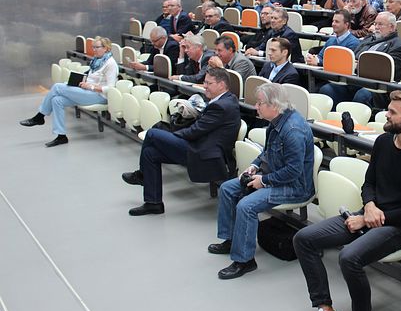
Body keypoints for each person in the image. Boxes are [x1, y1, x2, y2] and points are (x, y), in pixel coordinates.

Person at [294, 90, 401, 311]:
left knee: (349, 258)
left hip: (399, 227)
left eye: (393, 112)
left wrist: (368, 219)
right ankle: (326, 310)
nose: (386, 113)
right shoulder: (384, 141)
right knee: (304, 239)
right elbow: (369, 183)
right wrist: (369, 207)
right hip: (369, 213)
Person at [210, 83, 314, 279]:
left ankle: (244, 260)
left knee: (246, 206)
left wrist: (264, 181)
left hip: (295, 186)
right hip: (274, 176)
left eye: (260, 103)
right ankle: (232, 239)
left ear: (274, 105)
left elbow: (294, 171)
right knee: (226, 189)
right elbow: (267, 152)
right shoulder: (276, 121)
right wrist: (255, 166)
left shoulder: (293, 130)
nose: (256, 107)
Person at [121, 67, 240, 216]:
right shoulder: (225, 100)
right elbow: (198, 129)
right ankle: (153, 203)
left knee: (152, 134)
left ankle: (141, 175)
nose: (205, 86)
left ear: (222, 85)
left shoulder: (221, 106)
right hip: (199, 145)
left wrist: (172, 135)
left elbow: (194, 132)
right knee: (150, 153)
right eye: (205, 82)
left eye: (209, 83)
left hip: (204, 153)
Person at [21, 36, 118, 147]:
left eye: (97, 47)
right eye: (93, 47)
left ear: (106, 48)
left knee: (57, 87)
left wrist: (90, 86)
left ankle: (39, 117)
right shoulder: (97, 60)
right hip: (87, 90)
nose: (94, 50)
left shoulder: (111, 64)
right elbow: (92, 77)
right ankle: (61, 136)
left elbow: (111, 88)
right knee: (57, 100)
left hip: (99, 96)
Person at [318, 12, 401, 107]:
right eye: (375, 24)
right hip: (356, 81)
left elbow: (386, 69)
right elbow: (354, 56)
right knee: (327, 89)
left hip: (378, 87)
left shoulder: (399, 46)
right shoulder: (369, 39)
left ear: (392, 27)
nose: (376, 27)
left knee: (362, 95)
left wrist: (360, 65)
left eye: (380, 24)